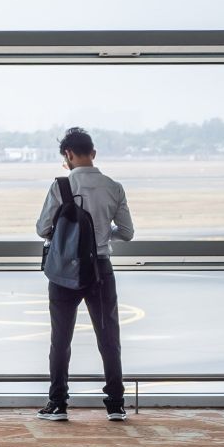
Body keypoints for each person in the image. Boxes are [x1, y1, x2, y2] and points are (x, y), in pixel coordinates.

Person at [35, 127, 135, 422]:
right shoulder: (114, 187)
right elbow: (127, 233)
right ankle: (115, 404)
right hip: (101, 268)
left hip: (65, 270)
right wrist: (100, 235)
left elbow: (43, 229)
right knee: (109, 338)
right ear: (93, 153)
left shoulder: (61, 187)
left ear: (67, 155)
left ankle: (58, 403)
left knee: (61, 339)